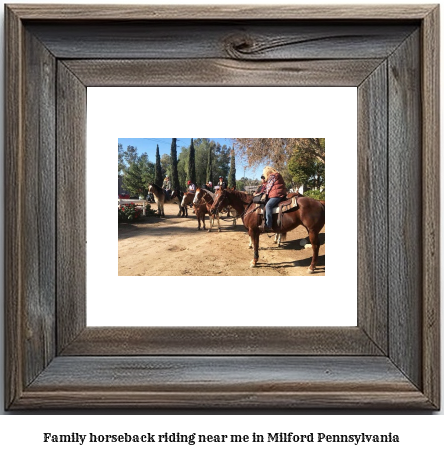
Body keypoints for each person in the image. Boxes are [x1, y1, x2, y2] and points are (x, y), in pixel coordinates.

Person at [262, 166, 286, 232]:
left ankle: (268, 225)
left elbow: (268, 187)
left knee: (268, 206)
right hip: (278, 193)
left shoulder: (272, 176)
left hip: (277, 195)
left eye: (264, 173)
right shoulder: (276, 175)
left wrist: (264, 193)